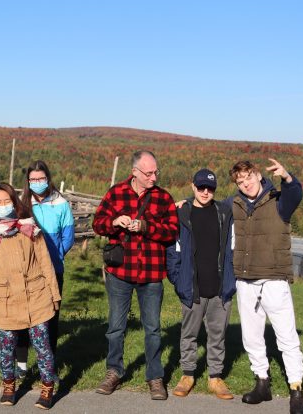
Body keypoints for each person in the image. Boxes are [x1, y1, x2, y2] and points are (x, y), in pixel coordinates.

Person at [92, 150, 178, 400]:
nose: (154, 177)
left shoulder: (163, 198)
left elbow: (172, 232)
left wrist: (146, 226)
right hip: (120, 271)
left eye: (156, 172)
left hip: (151, 273)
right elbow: (97, 223)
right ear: (135, 172)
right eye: (149, 173)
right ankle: (114, 371)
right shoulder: (115, 193)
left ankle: (155, 376)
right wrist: (114, 223)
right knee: (116, 328)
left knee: (152, 328)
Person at [228, 159, 303, 414]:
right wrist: (185, 203)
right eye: (240, 181)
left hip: (274, 279)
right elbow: (208, 207)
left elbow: (296, 193)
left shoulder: (278, 200)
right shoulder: (235, 203)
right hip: (245, 279)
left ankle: (296, 392)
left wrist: (287, 176)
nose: (246, 184)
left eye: (248, 178)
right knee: (251, 336)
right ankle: (262, 383)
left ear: (259, 175)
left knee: (287, 338)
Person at [0, 183, 61, 410]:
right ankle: (8, 385)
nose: (3, 206)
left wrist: (54, 294)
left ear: (15, 202)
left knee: (42, 346)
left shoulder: (29, 229)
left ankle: (47, 387)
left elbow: (45, 262)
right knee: (6, 348)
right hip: (5, 301)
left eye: (7, 201)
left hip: (37, 296)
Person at [166, 169, 236, 400]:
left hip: (220, 287)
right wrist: (177, 279)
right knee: (189, 334)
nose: (206, 192)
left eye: (211, 188)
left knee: (218, 334)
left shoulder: (224, 212)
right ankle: (187, 375)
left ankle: (215, 377)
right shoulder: (181, 213)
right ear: (193, 186)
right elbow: (173, 249)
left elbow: (246, 194)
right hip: (192, 286)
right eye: (201, 187)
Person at [18, 160, 74, 372]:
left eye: (41, 178)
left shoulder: (60, 204)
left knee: (51, 316)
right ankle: (21, 364)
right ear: (28, 182)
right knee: (24, 315)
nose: (37, 182)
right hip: (28, 270)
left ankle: (48, 363)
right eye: (33, 179)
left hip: (53, 268)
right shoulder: (23, 204)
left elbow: (68, 237)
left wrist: (56, 256)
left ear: (48, 179)